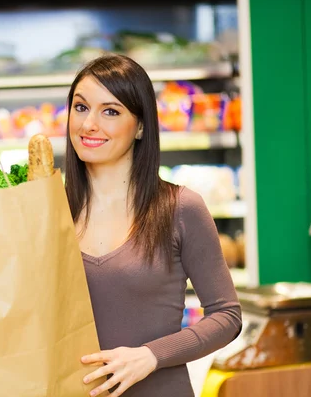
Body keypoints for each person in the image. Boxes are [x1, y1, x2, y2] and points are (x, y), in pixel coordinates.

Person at [64, 53, 242, 396]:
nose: (89, 124)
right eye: (81, 107)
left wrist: (151, 356)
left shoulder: (180, 208)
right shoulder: (52, 212)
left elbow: (226, 316)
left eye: (111, 111)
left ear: (141, 126)